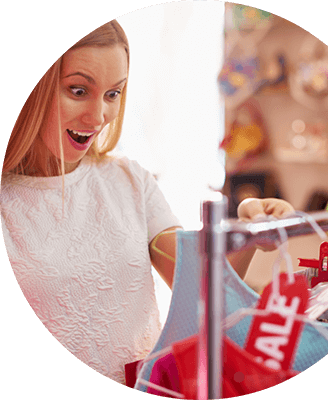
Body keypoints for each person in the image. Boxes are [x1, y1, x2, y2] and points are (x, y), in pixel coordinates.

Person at [0, 20, 294, 386]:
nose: (99, 117)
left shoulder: (129, 182)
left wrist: (249, 234)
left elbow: (203, 288)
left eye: (113, 94)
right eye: (78, 90)